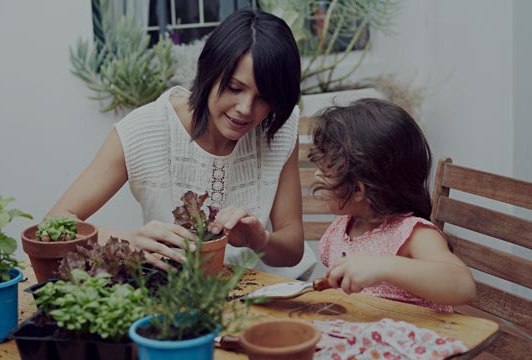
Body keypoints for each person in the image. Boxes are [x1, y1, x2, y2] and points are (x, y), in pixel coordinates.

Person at [47, 8, 317, 278]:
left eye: (264, 97)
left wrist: (259, 239)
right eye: (235, 88)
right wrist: (130, 240)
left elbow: (292, 248)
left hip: (263, 293)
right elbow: (55, 222)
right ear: (209, 72)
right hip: (174, 294)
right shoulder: (144, 130)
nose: (246, 109)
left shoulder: (277, 128)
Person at [310, 98, 476, 312]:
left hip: (415, 340)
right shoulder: (342, 229)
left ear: (359, 189)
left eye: (325, 170)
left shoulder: (412, 234)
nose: (316, 174)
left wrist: (383, 266)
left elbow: (462, 286)